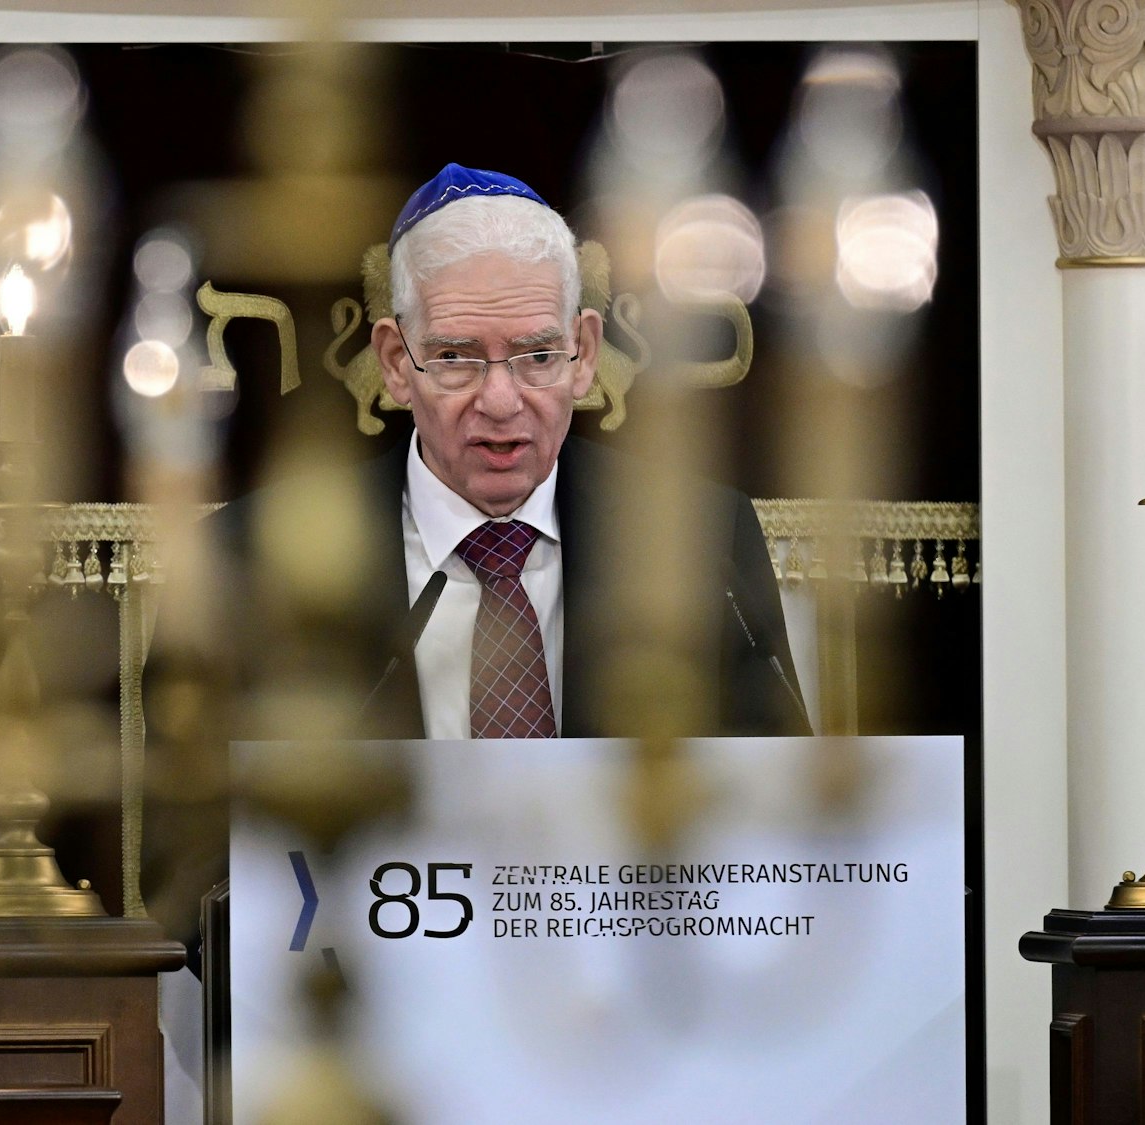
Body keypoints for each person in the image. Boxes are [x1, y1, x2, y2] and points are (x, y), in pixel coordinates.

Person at [140, 164, 808, 963]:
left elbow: (785, 824)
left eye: (535, 356)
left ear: (585, 353)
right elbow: (187, 863)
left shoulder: (701, 539)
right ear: (394, 361)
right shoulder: (260, 555)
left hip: (632, 1019)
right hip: (355, 1022)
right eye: (457, 357)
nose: (501, 401)